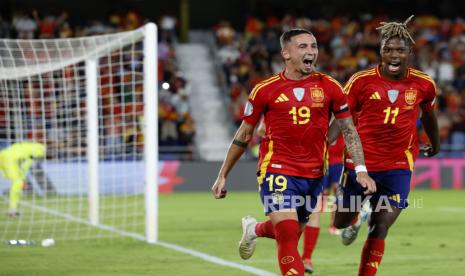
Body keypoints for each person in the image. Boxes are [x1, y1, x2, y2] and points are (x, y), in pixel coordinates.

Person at [211, 28, 375, 276]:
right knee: (288, 237)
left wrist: (361, 171)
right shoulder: (265, 90)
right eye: (303, 47)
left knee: (291, 231)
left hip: (314, 175)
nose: (311, 51)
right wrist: (223, 174)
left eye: (314, 46)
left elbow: (349, 130)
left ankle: (254, 230)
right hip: (277, 170)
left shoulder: (330, 87)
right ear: (286, 53)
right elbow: (244, 134)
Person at [332, 16, 440, 276]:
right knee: (341, 221)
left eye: (400, 50)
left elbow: (428, 116)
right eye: (388, 49)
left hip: (398, 164)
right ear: (380, 51)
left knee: (381, 226)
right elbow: (342, 117)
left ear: (409, 52)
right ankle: (355, 217)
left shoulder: (424, 84)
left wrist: (434, 143)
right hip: (360, 163)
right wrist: (323, 143)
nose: (394, 55)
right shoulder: (361, 81)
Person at [301, 133, 344, 273]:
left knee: (336, 193)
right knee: (321, 198)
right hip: (320, 163)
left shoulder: (343, 116)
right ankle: (303, 257)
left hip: (338, 163)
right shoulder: (320, 115)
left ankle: (333, 223)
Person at [0, 142, 46, 217]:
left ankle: (13, 209)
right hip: (9, 158)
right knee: (17, 182)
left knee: (17, 182)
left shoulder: (31, 146)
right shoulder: (40, 150)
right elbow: (26, 165)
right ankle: (13, 210)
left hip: (3, 155)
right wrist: (22, 180)